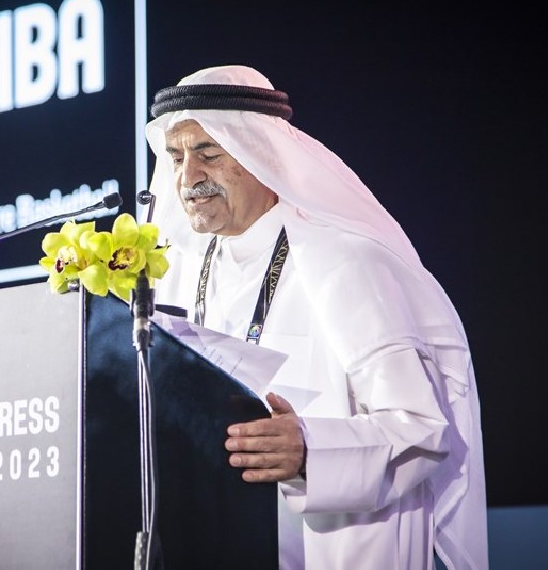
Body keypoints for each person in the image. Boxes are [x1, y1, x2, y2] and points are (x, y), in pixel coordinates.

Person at [143, 65, 488, 569]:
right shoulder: (178, 273)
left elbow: (420, 430)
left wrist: (311, 451)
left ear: (259, 152)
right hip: (214, 538)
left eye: (208, 154)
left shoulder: (343, 260)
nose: (187, 177)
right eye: (176, 158)